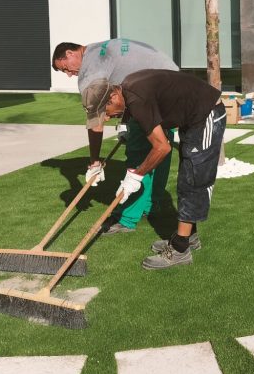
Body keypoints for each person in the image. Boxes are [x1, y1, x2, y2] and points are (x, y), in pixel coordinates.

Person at [81, 69, 225, 270]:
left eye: (105, 112)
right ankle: (189, 237)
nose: (105, 119)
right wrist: (124, 128)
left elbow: (162, 147)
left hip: (206, 114)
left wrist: (135, 176)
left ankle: (180, 250)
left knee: (193, 180)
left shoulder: (137, 97)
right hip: (191, 117)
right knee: (187, 177)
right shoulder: (128, 89)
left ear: (113, 96)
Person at [52, 39, 178, 235]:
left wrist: (94, 162)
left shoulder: (90, 71)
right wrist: (125, 123)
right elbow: (125, 83)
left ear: (70, 53)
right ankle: (151, 205)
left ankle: (126, 219)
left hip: (155, 92)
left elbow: (95, 122)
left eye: (65, 68)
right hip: (173, 86)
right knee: (159, 148)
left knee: (138, 155)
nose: (69, 74)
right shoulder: (97, 50)